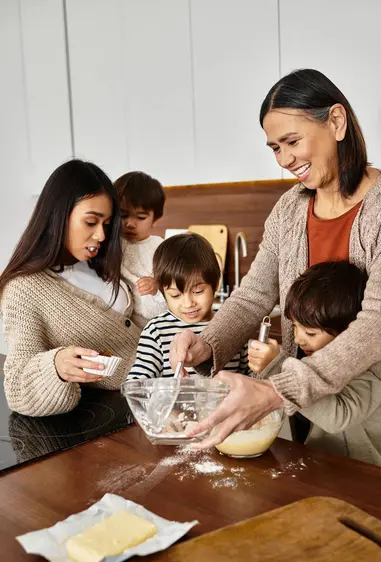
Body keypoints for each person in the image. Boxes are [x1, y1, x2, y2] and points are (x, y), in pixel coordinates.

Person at [169, 68, 381, 450]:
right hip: (312, 424)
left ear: (337, 122)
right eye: (275, 148)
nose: (285, 159)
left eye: (292, 141)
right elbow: (252, 297)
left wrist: (279, 390)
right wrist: (206, 344)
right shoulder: (289, 210)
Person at [0, 159, 140, 417]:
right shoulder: (24, 289)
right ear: (58, 216)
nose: (101, 235)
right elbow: (17, 387)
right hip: (113, 415)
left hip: (159, 390)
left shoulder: (107, 260)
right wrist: (56, 366)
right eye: (90, 222)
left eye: (107, 225)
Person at [251, 261, 381, 469]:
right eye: (295, 327)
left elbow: (336, 417)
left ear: (350, 331)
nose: (298, 340)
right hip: (327, 468)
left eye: (310, 333)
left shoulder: (371, 374)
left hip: (374, 478)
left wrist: (277, 366)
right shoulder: (315, 362)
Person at [127, 233, 250, 378]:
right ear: (163, 292)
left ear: (215, 283)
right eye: (175, 295)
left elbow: (250, 378)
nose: (188, 303)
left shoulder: (232, 327)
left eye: (198, 291)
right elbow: (137, 383)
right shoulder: (156, 331)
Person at [115, 171, 167, 327]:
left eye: (140, 217)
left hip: (153, 320)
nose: (130, 223)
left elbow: (173, 281)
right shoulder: (113, 244)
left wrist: (156, 285)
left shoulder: (160, 247)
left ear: (155, 219)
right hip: (121, 319)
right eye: (123, 215)